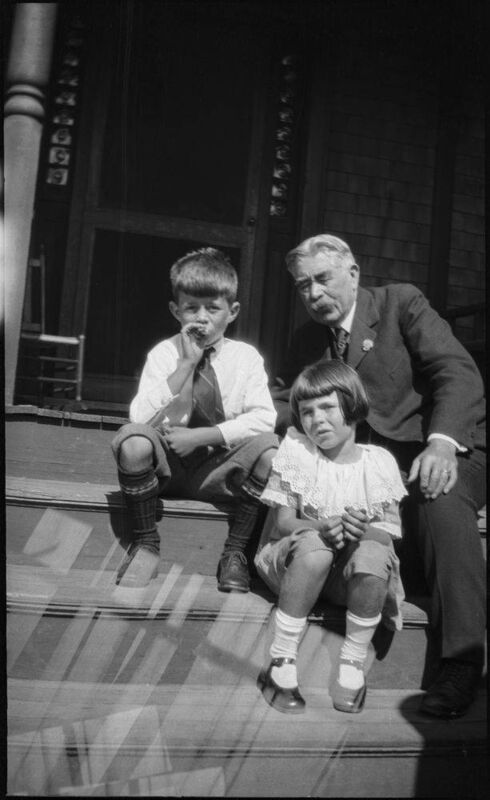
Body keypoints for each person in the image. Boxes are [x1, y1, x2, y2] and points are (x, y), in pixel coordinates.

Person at [271, 232, 486, 719]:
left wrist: (442, 441)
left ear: (353, 272)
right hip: (369, 467)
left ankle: (462, 663)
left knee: (439, 499)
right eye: (303, 286)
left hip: (441, 447)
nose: (314, 294)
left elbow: (458, 371)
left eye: (323, 279)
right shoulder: (308, 339)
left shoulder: (400, 304)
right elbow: (286, 400)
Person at [111, 247, 278, 593]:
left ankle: (235, 553)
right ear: (176, 310)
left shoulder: (245, 358)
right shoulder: (164, 353)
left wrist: (203, 436)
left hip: (219, 469)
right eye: (191, 308)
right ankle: (145, 543)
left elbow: (264, 419)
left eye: (213, 308)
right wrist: (185, 365)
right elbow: (138, 416)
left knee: (271, 452)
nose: (201, 318)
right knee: (133, 440)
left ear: (231, 312)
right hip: (167, 469)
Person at [256, 359, 407, 714]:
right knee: (316, 548)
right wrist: (322, 526)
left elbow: (388, 535)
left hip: (345, 579)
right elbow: (283, 524)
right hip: (295, 565)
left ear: (352, 407)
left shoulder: (378, 463)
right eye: (307, 412)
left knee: (372, 554)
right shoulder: (297, 454)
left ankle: (352, 663)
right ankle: (280, 659)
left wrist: (360, 530)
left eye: (327, 407)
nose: (316, 420)